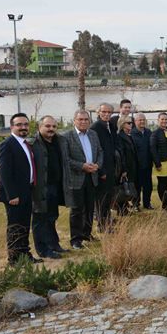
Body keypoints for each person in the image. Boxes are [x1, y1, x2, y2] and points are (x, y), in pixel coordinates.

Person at [0, 113, 41, 264]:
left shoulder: (25, 143)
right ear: (12, 127)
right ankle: (14, 258)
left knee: (24, 224)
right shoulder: (7, 144)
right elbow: (5, 172)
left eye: (25, 124)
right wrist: (12, 195)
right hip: (14, 195)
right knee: (15, 226)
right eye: (19, 125)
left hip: (26, 191)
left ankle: (25, 255)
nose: (23, 127)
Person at [62, 110, 102, 250]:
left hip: (92, 177)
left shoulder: (93, 134)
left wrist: (98, 164)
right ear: (74, 121)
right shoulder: (67, 136)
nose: (84, 121)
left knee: (90, 208)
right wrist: (82, 166)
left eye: (86, 119)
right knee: (77, 210)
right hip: (76, 178)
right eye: (80, 119)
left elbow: (100, 152)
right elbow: (66, 159)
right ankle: (76, 239)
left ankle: (87, 234)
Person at [31, 115, 67, 259]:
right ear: (40, 127)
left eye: (53, 126)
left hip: (55, 186)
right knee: (40, 219)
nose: (51, 129)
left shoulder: (59, 141)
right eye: (47, 126)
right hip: (40, 187)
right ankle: (43, 249)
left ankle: (54, 244)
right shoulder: (33, 144)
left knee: (52, 216)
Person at [91, 103, 118, 233]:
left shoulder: (111, 126)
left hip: (112, 168)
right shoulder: (95, 128)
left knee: (108, 198)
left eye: (109, 112)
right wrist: (101, 171)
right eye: (104, 112)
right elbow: (95, 151)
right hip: (102, 169)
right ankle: (102, 225)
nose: (106, 114)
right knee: (101, 200)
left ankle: (107, 221)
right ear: (99, 112)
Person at [150, 112, 167, 210]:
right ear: (158, 120)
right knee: (162, 183)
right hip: (162, 162)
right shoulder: (155, 133)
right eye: (162, 119)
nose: (164, 121)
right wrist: (157, 163)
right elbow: (153, 149)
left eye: (166, 119)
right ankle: (164, 203)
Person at [115, 115, 139, 215]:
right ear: (122, 124)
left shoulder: (129, 135)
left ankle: (124, 209)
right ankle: (121, 210)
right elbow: (121, 154)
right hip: (125, 167)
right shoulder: (120, 137)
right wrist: (124, 170)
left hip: (131, 167)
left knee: (128, 188)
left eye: (131, 123)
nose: (131, 124)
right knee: (123, 188)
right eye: (129, 123)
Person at [131, 113, 153, 210]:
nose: (142, 122)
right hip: (137, 165)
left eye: (143, 120)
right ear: (135, 122)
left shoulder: (149, 132)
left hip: (148, 164)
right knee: (137, 186)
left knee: (148, 186)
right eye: (140, 120)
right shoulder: (132, 133)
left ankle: (147, 203)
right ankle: (136, 204)